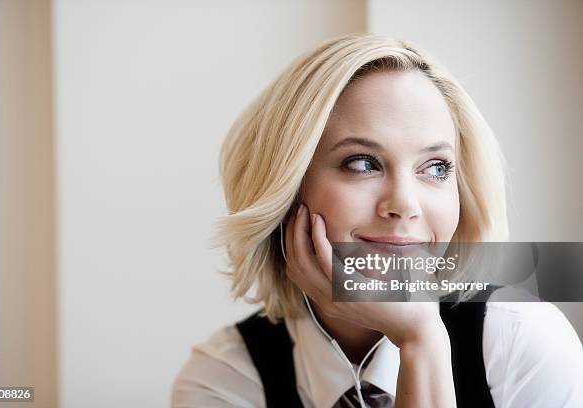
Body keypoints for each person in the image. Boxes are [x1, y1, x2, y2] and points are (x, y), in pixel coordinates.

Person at [171, 33, 583, 407]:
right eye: (363, 163)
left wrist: (422, 341)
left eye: (436, 167)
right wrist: (419, 340)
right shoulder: (225, 380)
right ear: (287, 186)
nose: (405, 204)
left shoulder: (521, 340)